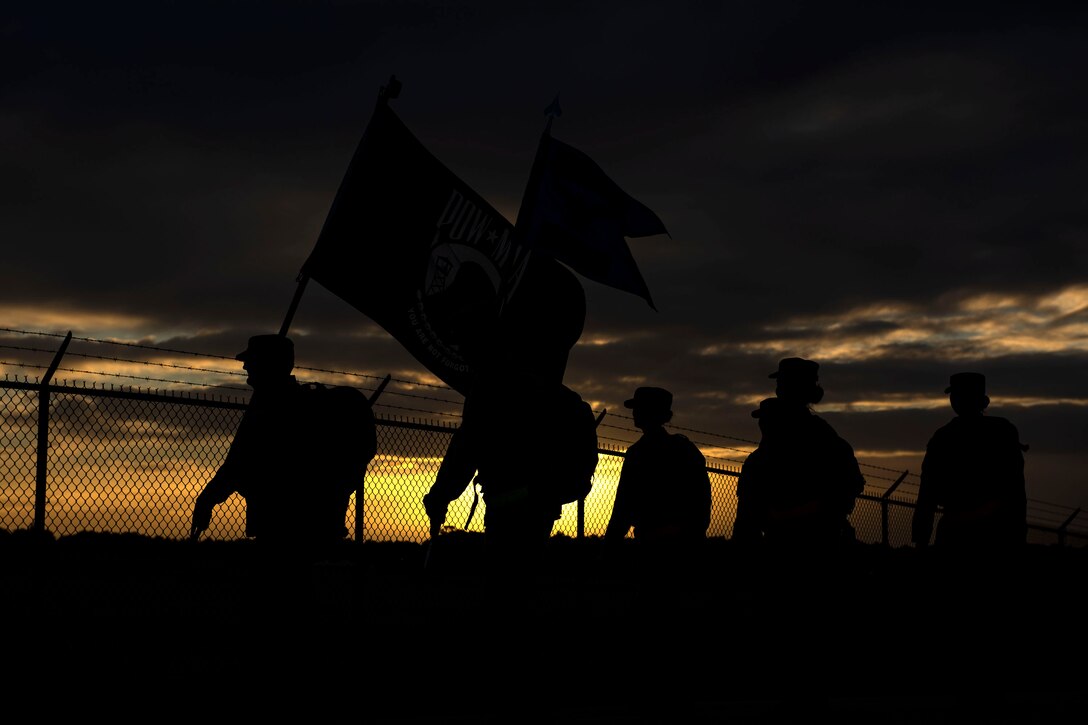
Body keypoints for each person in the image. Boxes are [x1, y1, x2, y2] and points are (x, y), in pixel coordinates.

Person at [189, 334, 376, 557]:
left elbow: (238, 464)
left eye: (252, 360)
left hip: (280, 526)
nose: (246, 366)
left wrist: (207, 500)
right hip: (320, 524)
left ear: (268, 364)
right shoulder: (301, 405)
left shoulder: (272, 409)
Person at [732, 358, 865, 550]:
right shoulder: (825, 436)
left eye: (781, 383)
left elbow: (848, 485)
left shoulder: (819, 438)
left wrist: (799, 513)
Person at [911, 372, 1028, 553]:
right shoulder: (1002, 432)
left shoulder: (944, 437)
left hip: (961, 532)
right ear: (984, 402)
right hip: (995, 534)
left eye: (959, 395)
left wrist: (921, 541)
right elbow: (1016, 490)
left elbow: (927, 494)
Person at [604, 386, 711, 546]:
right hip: (686, 541)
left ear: (650, 412)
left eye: (639, 408)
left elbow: (623, 506)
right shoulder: (685, 449)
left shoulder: (638, 453)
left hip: (654, 541)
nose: (634, 413)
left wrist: (609, 545)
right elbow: (702, 498)